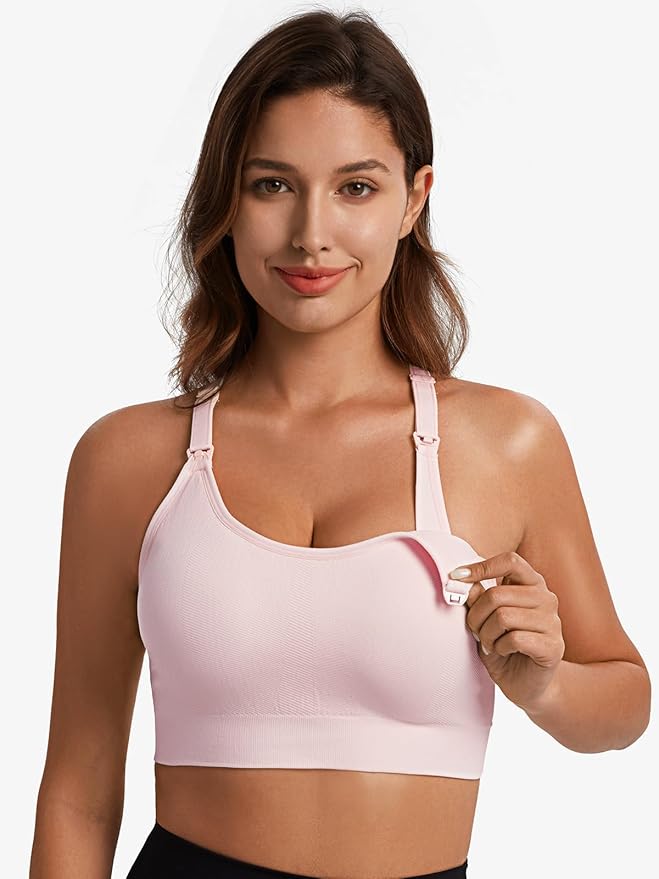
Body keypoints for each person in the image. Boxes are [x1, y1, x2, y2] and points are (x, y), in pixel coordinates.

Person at [29, 8, 650, 879]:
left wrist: (543, 683)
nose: (310, 234)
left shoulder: (506, 442)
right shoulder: (129, 459)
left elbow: (624, 701)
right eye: (271, 185)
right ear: (226, 198)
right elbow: (78, 789)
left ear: (413, 199)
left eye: (355, 187)